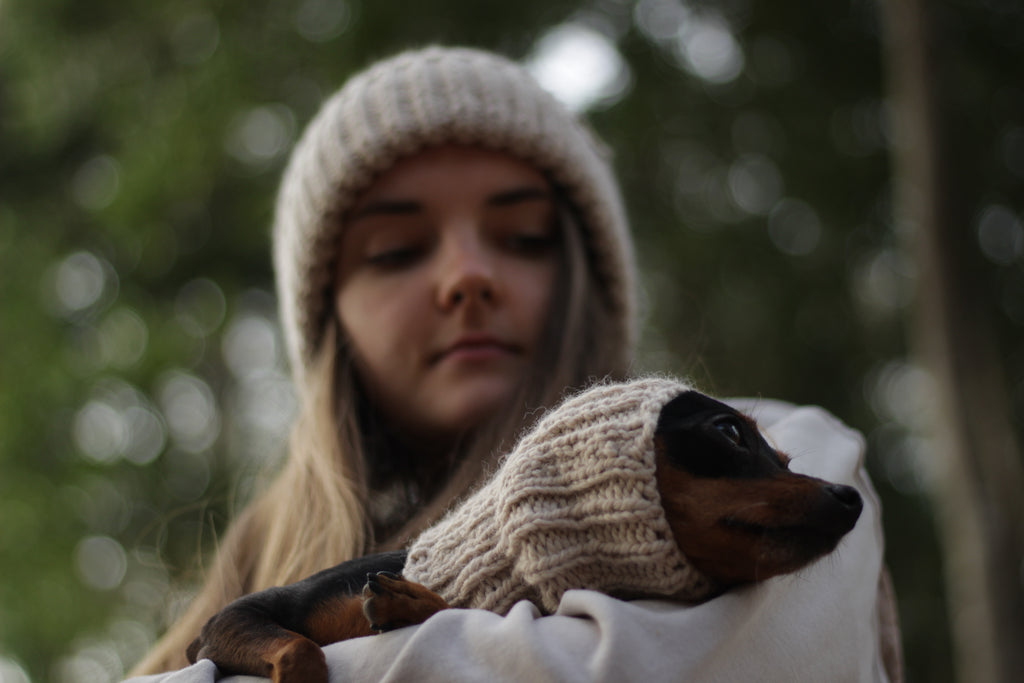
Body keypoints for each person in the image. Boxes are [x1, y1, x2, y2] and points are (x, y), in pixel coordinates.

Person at [127, 46, 901, 681]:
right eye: (397, 250)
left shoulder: (782, 443)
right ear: (331, 327)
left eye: (524, 236)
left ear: (585, 284)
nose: (468, 273)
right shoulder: (244, 591)